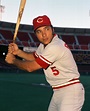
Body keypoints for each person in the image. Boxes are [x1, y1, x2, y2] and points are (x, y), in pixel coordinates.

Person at [5, 15, 85, 111]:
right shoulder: (44, 46)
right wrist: (18, 52)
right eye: (39, 31)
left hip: (70, 90)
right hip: (57, 91)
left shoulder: (55, 46)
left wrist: (13, 60)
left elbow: (30, 67)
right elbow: (33, 57)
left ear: (52, 29)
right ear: (36, 34)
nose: (44, 34)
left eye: (46, 29)